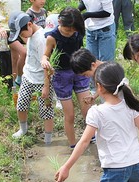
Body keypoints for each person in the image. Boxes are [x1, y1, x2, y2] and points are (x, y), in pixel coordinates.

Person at [41, 7, 92, 148]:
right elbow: (46, 56)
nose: (70, 33)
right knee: (69, 115)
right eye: (67, 30)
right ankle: (73, 145)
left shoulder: (77, 34)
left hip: (79, 72)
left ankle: (91, 138)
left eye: (73, 30)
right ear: (59, 22)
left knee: (88, 108)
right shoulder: (52, 37)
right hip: (61, 76)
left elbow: (81, 53)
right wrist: (44, 61)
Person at [8, 11, 55, 144]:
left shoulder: (41, 39)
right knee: (21, 104)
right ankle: (23, 129)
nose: (22, 37)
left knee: (46, 110)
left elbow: (46, 66)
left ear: (29, 25)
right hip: (28, 75)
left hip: (42, 79)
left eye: (21, 34)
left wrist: (46, 87)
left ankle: (48, 139)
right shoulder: (30, 34)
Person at [0, 0, 26, 87]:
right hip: (6, 31)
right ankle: (19, 79)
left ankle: (14, 84)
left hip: (17, 28)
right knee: (23, 52)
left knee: (15, 58)